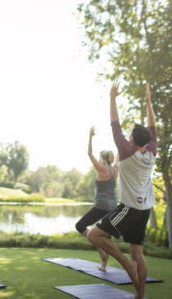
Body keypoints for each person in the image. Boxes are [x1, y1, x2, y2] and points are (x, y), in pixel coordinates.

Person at [87, 82, 157, 299]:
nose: (126, 136)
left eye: (129, 135)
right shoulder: (151, 151)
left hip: (130, 208)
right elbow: (152, 128)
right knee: (139, 253)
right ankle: (140, 295)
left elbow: (114, 124)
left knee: (94, 235)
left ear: (133, 139)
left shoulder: (126, 151)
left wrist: (112, 98)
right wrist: (149, 103)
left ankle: (126, 264)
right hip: (144, 209)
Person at [75, 126, 118, 271]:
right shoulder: (115, 169)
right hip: (113, 207)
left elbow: (89, 153)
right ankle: (104, 264)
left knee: (80, 226)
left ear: (102, 158)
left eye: (100, 157)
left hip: (100, 206)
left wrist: (90, 136)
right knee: (105, 235)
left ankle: (99, 247)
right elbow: (120, 155)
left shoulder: (102, 169)